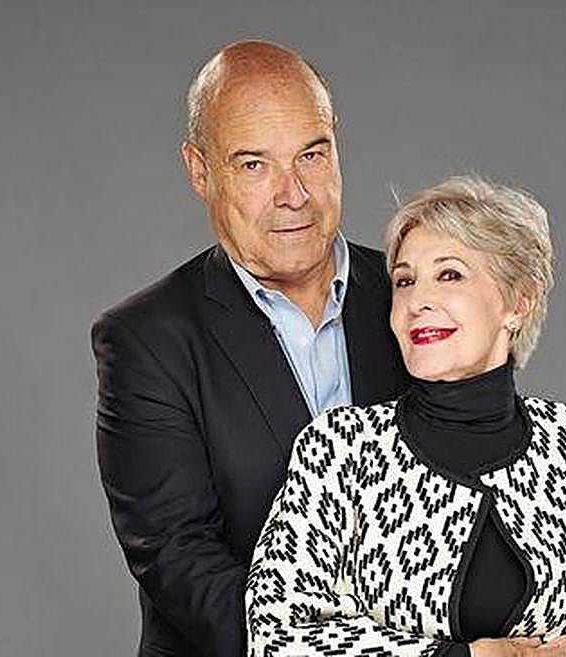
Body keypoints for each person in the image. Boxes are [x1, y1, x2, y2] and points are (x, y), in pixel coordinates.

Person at [246, 175, 566, 657]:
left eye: (449, 275)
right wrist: (476, 656)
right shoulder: (342, 449)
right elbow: (277, 634)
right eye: (405, 281)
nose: (417, 301)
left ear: (518, 302)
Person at [91, 41, 409, 657]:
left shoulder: (413, 299)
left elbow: (491, 483)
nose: (294, 194)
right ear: (200, 171)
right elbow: (180, 557)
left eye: (311, 155)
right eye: (254, 165)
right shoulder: (146, 341)